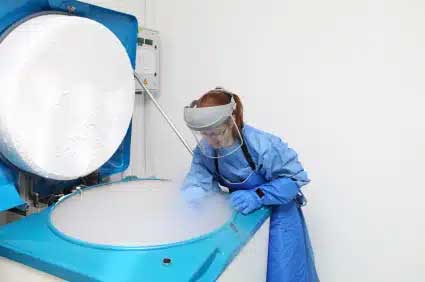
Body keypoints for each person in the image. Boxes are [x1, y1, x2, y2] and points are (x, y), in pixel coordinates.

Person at [181, 87, 319, 282]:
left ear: (232, 121)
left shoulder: (263, 145)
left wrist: (258, 196)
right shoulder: (206, 150)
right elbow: (198, 178)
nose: (212, 140)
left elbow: (293, 180)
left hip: (280, 218)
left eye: (216, 133)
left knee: (282, 272)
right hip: (244, 218)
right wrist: (193, 196)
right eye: (206, 134)